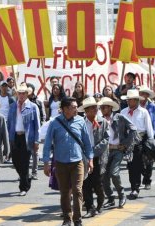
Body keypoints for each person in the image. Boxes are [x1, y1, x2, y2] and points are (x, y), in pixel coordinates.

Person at [43, 97, 94, 226]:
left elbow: (87, 142)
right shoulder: (54, 123)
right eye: (74, 107)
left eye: (77, 106)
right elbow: (48, 143)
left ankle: (77, 219)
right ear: (65, 109)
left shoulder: (80, 121)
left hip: (77, 162)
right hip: (60, 163)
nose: (77, 109)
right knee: (65, 192)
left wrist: (90, 159)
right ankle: (67, 218)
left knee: (77, 190)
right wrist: (46, 163)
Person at [98, 97, 139, 209]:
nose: (102, 109)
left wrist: (125, 144)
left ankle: (121, 195)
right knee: (104, 175)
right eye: (101, 107)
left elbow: (133, 129)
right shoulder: (99, 120)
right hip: (105, 151)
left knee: (114, 173)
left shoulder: (119, 117)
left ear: (111, 107)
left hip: (117, 150)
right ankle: (111, 198)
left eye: (105, 107)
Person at [77, 97, 109, 218]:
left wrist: (94, 151)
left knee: (97, 182)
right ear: (86, 111)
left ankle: (101, 200)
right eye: (92, 108)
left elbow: (106, 138)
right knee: (85, 183)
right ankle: (90, 207)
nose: (95, 110)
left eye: (96, 107)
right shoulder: (81, 122)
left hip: (98, 156)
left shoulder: (103, 121)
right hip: (84, 156)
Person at [120, 89, 154, 200]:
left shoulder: (143, 112)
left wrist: (151, 142)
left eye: (131, 100)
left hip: (140, 141)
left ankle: (138, 185)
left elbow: (149, 128)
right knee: (131, 166)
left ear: (136, 100)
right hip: (128, 143)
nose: (129, 102)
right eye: (128, 100)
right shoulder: (123, 112)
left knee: (139, 165)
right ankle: (134, 187)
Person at [7, 84, 40, 196]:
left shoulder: (33, 107)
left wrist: (37, 140)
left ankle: (23, 187)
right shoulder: (12, 106)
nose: (21, 95)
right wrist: (7, 138)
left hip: (27, 138)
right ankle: (26, 177)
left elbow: (37, 125)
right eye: (19, 93)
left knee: (25, 162)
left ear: (27, 94)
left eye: (23, 93)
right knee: (16, 161)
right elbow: (9, 123)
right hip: (15, 137)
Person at [139, 85, 155, 189]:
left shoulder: (154, 107)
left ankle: (147, 180)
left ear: (148, 95)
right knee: (138, 160)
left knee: (149, 160)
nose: (143, 96)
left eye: (145, 94)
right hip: (139, 136)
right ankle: (144, 175)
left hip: (150, 136)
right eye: (141, 93)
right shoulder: (136, 107)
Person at [27, 83, 46, 180]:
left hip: (35, 130)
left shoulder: (38, 102)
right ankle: (24, 173)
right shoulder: (21, 102)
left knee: (35, 152)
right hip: (26, 132)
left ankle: (34, 172)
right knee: (25, 154)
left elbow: (43, 116)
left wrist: (40, 127)